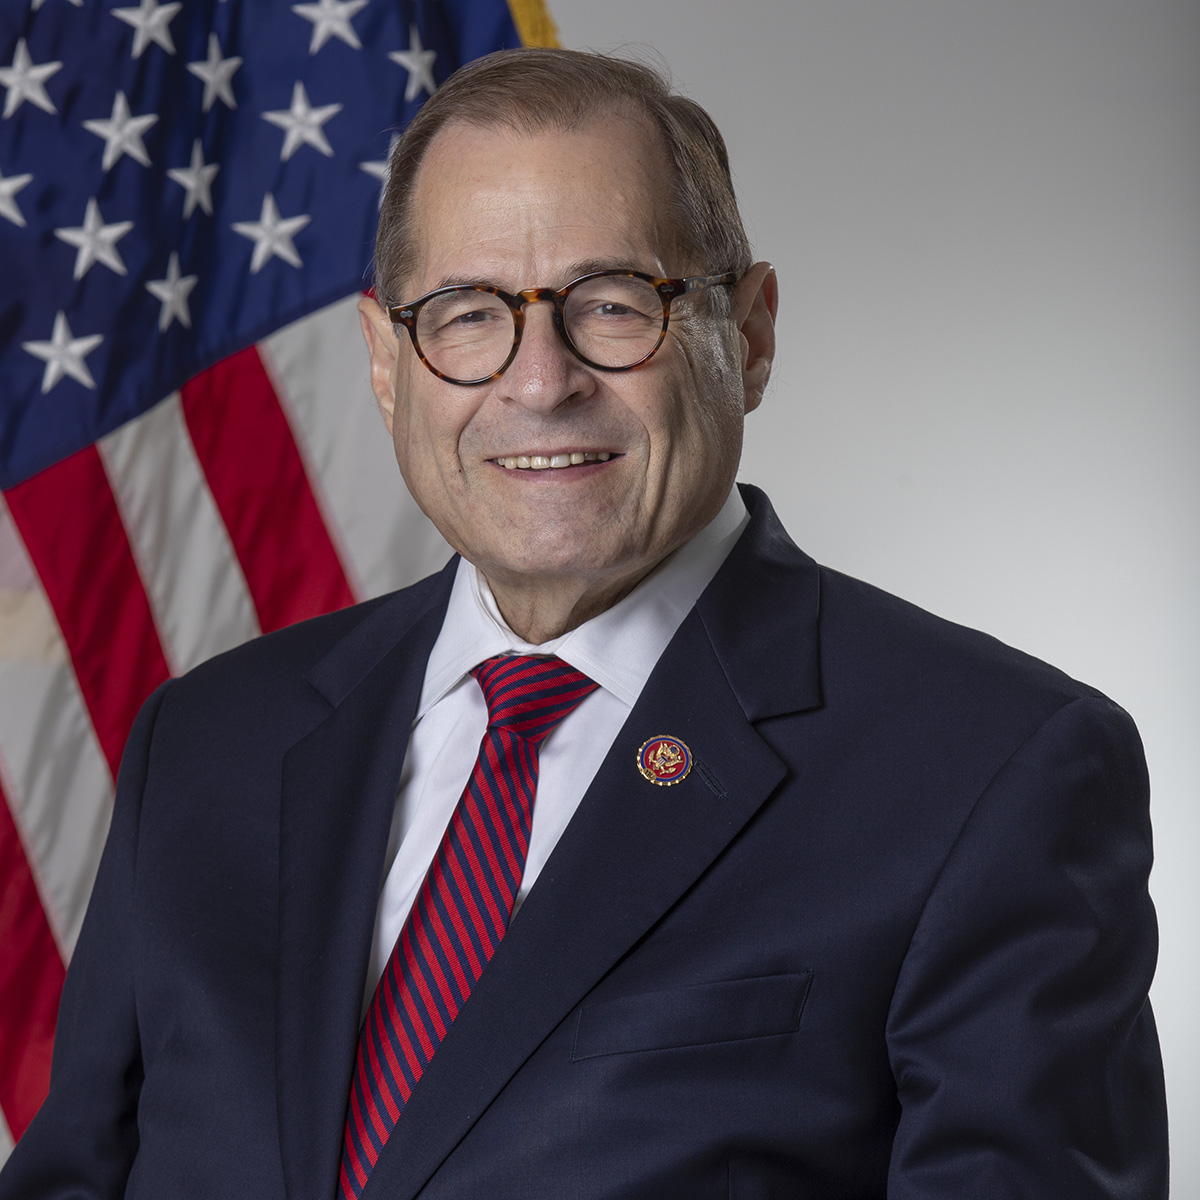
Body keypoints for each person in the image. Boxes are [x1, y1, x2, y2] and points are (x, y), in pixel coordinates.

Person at [0, 47, 1167, 1200]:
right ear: (386, 363)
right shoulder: (207, 743)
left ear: (750, 336)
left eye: (613, 303)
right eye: (465, 315)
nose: (538, 380)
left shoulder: (991, 772)